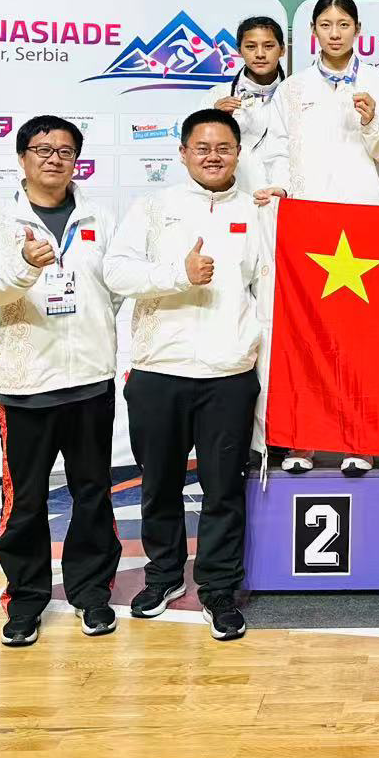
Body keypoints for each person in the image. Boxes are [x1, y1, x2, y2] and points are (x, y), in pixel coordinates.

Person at [103, 109, 266, 641]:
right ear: (182, 153)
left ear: (238, 153)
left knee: (224, 491)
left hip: (228, 374)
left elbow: (267, 292)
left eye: (223, 147)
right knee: (160, 485)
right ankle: (165, 576)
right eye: (202, 147)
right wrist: (179, 274)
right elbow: (116, 272)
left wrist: (254, 357)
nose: (213, 156)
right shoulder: (153, 207)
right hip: (159, 371)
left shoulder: (257, 211)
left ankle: (218, 589)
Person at [0, 115, 122, 648]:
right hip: (25, 385)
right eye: (42, 149)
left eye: (65, 151)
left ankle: (92, 594)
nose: (54, 159)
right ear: (22, 158)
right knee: (26, 503)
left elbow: (115, 288)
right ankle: (25, 600)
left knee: (93, 494)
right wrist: (24, 265)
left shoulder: (100, 217)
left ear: (76, 160)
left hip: (90, 381)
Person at [275, 0, 379, 477]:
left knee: (361, 340)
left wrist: (372, 123)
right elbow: (277, 151)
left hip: (366, 225)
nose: (334, 33)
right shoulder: (293, 89)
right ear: (313, 33)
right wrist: (282, 190)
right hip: (309, 226)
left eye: (343, 24)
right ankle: (302, 440)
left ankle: (358, 439)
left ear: (358, 30)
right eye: (325, 25)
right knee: (306, 336)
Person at [204, 15, 288, 205]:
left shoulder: (295, 95)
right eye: (250, 46)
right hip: (231, 198)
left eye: (268, 46)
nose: (260, 54)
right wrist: (216, 121)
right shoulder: (217, 96)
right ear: (239, 50)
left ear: (282, 49)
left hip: (282, 198)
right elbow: (197, 152)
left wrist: (284, 188)